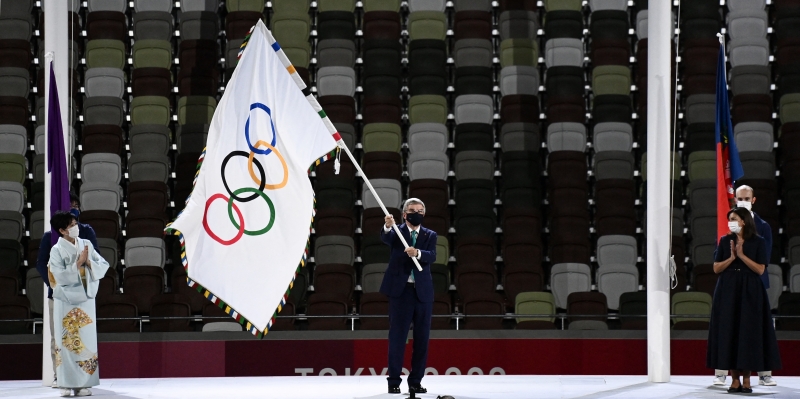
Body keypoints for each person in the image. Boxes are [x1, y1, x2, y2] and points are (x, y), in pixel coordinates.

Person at [707, 207, 781, 394]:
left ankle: (747, 379)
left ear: (744, 221)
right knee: (729, 331)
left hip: (750, 290)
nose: (731, 222)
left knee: (748, 332)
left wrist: (742, 256)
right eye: (729, 219)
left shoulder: (759, 242)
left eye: (734, 218)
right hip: (728, 288)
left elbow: (760, 269)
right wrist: (732, 258)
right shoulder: (725, 241)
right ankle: (734, 380)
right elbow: (716, 268)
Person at [37, 195, 98, 389]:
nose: (74, 211)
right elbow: (42, 266)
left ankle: (84, 379)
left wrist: (87, 267)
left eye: (76, 207)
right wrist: (58, 288)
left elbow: (97, 261)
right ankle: (60, 377)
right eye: (69, 207)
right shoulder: (51, 240)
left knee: (85, 336)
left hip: (83, 296)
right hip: (60, 296)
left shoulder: (87, 234)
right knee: (61, 337)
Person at [48, 211, 109, 397]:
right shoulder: (56, 250)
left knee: (86, 340)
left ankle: (84, 383)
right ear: (62, 230)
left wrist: (88, 262)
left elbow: (103, 265)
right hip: (65, 300)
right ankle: (65, 383)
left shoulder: (87, 244)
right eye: (71, 224)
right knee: (66, 340)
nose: (75, 227)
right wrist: (77, 264)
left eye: (75, 223)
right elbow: (57, 276)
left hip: (86, 298)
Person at [380, 198, 437, 394]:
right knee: (397, 338)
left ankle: (415, 382)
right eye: (412, 210)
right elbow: (386, 238)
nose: (416, 213)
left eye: (420, 211)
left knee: (422, 340)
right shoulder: (397, 231)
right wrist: (388, 226)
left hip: (422, 293)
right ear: (405, 214)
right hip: (400, 292)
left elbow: (432, 255)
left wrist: (418, 253)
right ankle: (394, 381)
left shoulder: (430, 235)